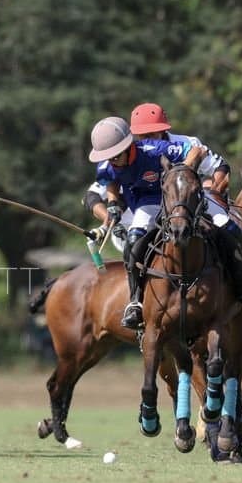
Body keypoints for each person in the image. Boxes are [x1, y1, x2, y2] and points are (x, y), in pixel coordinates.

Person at [127, 102, 242, 342]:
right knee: (134, 242)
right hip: (151, 203)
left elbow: (219, 166)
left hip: (191, 204)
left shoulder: (186, 144)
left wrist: (216, 185)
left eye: (150, 133)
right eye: (141, 135)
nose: (146, 139)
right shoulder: (132, 151)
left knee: (230, 230)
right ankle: (135, 302)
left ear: (163, 130)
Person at [85, 115, 202, 330]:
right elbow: (109, 179)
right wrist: (112, 201)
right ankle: (135, 301)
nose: (111, 160)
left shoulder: (154, 149)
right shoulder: (107, 164)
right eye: (107, 157)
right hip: (145, 205)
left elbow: (196, 150)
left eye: (115, 155)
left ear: (128, 146)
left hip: (175, 200)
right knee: (132, 242)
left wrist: (183, 171)